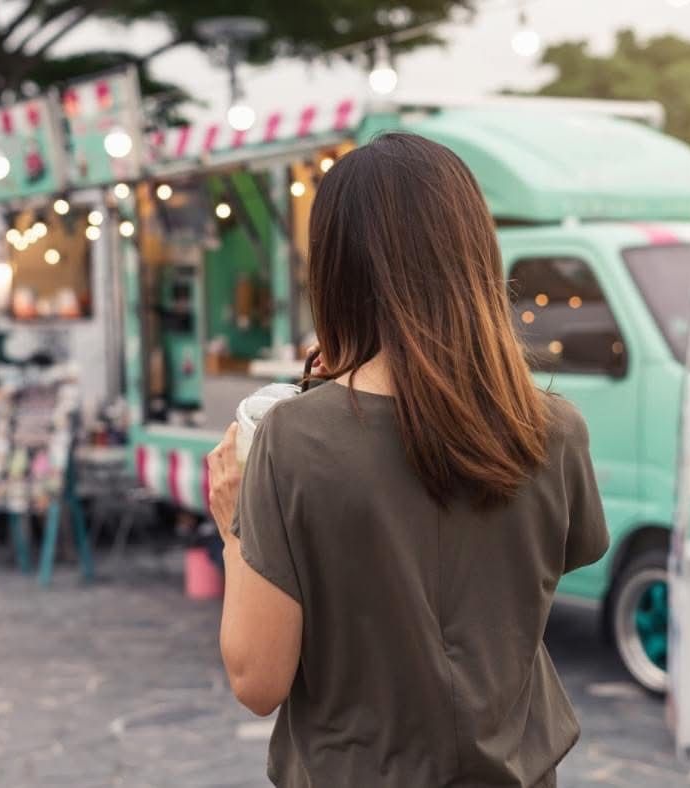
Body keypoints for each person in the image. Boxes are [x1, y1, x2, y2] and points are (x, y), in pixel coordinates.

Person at [207, 132, 610, 788]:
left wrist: (234, 528)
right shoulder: (553, 429)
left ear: (336, 270)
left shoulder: (295, 439)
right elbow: (527, 580)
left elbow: (258, 679)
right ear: (475, 252)